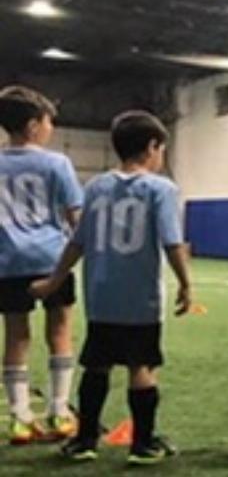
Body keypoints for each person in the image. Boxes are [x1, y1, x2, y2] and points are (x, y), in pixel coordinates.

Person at [31, 111, 192, 464]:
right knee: (142, 366)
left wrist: (54, 279)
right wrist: (185, 284)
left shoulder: (96, 187)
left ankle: (85, 441)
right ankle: (143, 444)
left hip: (102, 298)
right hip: (141, 300)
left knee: (97, 365)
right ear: (152, 147)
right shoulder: (161, 189)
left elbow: (77, 242)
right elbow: (172, 242)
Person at [0, 86, 83, 444]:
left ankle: (20, 418)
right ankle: (59, 412)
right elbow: (76, 216)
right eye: (49, 122)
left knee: (15, 336)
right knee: (60, 332)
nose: (51, 128)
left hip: (7, 261)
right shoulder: (56, 163)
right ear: (34, 125)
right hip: (52, 260)